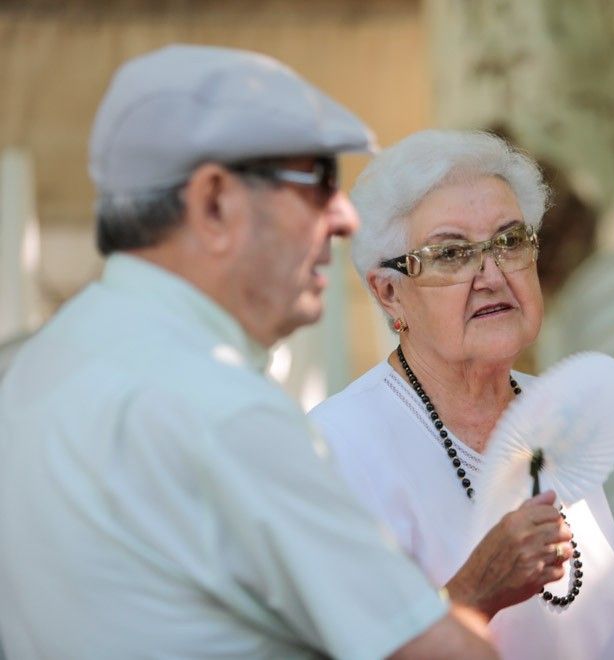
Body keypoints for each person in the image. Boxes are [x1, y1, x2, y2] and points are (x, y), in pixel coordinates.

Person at [0, 45, 496, 659]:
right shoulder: (220, 406)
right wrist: (475, 597)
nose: (344, 218)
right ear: (213, 203)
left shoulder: (37, 364)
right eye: (317, 181)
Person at [308, 129, 614, 659]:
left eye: (509, 242)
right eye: (451, 254)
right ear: (389, 293)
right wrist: (473, 596)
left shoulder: (557, 417)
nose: (490, 275)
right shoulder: (337, 447)